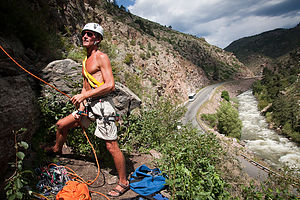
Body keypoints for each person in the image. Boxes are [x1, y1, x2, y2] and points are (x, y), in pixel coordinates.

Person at [43, 22, 129, 197]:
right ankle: (57, 149)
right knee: (61, 125)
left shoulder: (101, 57)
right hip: (90, 105)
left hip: (104, 105)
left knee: (111, 145)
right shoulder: (85, 60)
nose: (85, 36)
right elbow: (85, 86)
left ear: (97, 39)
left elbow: (110, 85)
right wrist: (82, 102)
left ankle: (123, 181)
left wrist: (83, 97)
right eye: (84, 34)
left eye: (90, 34)